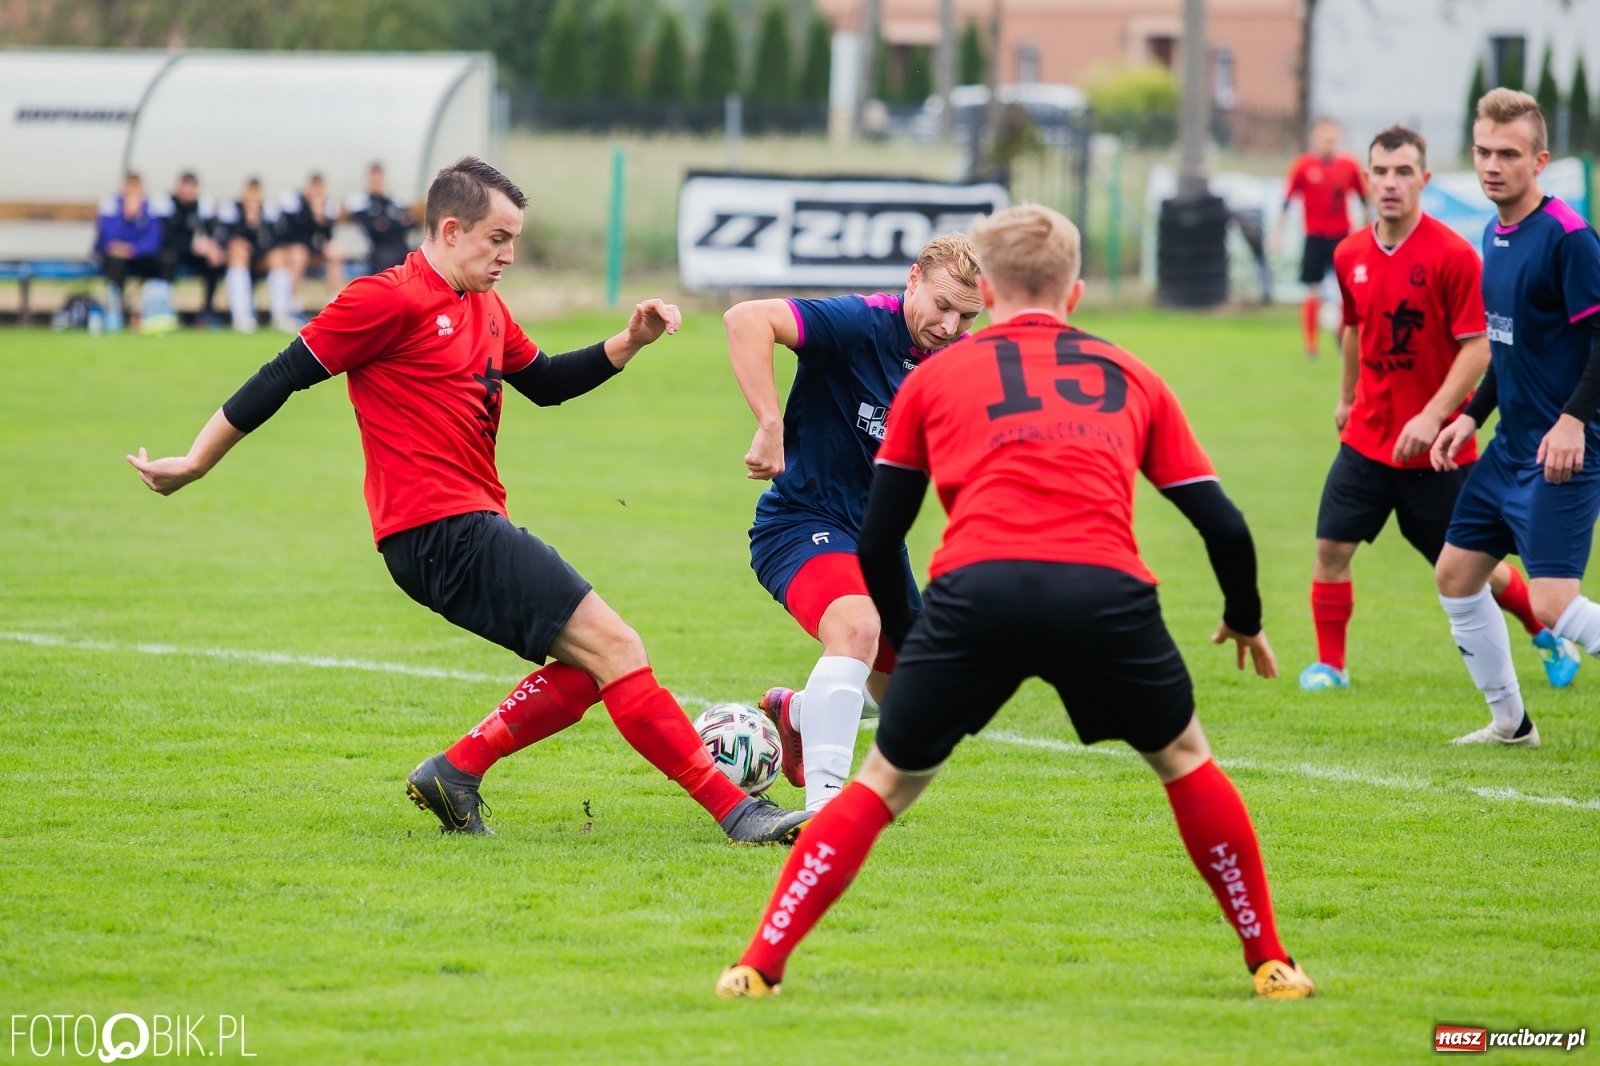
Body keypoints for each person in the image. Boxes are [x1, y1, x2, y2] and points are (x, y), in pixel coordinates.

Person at [716, 204, 1315, 1001]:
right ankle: (1271, 960)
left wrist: (924, 641)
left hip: (977, 591)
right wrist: (1244, 616)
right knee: (1185, 761)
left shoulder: (940, 376)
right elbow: (1224, 523)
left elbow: (883, 534)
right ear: (1077, 294)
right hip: (1104, 594)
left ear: (991, 295)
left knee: (886, 780)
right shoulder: (1130, 373)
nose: (950, 325)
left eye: (966, 312)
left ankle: (758, 965)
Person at [126, 157, 809, 846]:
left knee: (589, 667)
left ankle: (454, 774)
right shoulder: (385, 299)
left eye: (514, 240)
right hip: (437, 527)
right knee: (618, 646)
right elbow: (283, 374)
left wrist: (629, 341)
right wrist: (196, 461)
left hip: (463, 525)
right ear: (451, 230)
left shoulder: (484, 304)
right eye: (498, 239)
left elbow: (545, 382)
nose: (509, 255)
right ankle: (737, 812)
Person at [1301, 125, 1577, 692]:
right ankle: (1331, 666)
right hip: (1367, 438)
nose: (1391, 183)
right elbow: (1352, 327)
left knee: (1478, 572)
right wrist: (1347, 396)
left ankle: (1545, 632)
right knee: (1331, 546)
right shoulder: (1349, 253)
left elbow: (1479, 347)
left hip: (1438, 450)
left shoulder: (1453, 255)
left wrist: (1433, 416)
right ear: (1366, 178)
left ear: (1424, 179)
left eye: (1403, 172)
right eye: (1381, 171)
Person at [723, 236, 983, 812]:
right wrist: (770, 424)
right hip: (800, 522)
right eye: (942, 305)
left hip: (879, 545)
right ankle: (824, 814)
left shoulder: (960, 363)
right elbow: (746, 319)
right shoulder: (860, 323)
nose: (949, 325)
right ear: (913, 279)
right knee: (858, 627)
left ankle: (799, 711)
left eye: (967, 316)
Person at [1432, 89, 1600, 747]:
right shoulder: (1493, 233)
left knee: (1553, 605)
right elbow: (1510, 347)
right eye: (1483, 152)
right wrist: (1472, 416)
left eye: (1508, 153)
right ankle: (1511, 724)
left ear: (1540, 161)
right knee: (1456, 575)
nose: (1492, 165)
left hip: (1564, 449)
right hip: (1510, 448)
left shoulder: (1569, 238)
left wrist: (1573, 421)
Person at [1284, 119, 1367, 358]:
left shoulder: (1349, 165)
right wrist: (1277, 233)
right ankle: (1311, 346)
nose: (1328, 142)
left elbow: (1365, 199)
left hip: (1342, 237)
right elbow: (1287, 200)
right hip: (1314, 236)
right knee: (1313, 291)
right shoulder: (1303, 166)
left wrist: (1370, 229)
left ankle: (1344, 336)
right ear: (1315, 139)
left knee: (1347, 291)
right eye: (1324, 138)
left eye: (1332, 138)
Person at [93, 172, 172, 333]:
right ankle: (116, 312)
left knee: (165, 260)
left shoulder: (150, 207)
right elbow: (107, 238)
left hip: (138, 255)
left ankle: (155, 310)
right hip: (115, 257)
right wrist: (127, 217)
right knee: (115, 263)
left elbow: (154, 240)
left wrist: (132, 249)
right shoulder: (110, 205)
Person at [275, 173, 347, 331]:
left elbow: (326, 237)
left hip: (313, 252)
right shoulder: (294, 202)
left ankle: (334, 303)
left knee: (335, 251)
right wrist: (309, 215)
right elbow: (290, 235)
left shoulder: (327, 207)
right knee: (299, 254)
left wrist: (321, 220)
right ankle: (291, 304)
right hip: (293, 251)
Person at [214, 178, 285, 335]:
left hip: (259, 261)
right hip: (235, 261)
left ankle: (281, 315)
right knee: (239, 253)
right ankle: (242, 316)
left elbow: (274, 242)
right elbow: (222, 238)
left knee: (278, 257)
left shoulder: (268, 213)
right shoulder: (231, 210)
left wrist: (256, 225)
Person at [154, 171, 226, 326]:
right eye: (185, 187)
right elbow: (166, 239)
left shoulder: (202, 208)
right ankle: (164, 309)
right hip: (172, 254)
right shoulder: (167, 205)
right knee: (167, 259)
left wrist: (212, 248)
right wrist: (192, 246)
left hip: (192, 256)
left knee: (214, 262)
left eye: (192, 188)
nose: (188, 192)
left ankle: (207, 311)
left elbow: (212, 234)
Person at [347, 163, 416, 275]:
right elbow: (371, 226)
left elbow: (409, 222)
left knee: (418, 255)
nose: (377, 183)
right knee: (389, 260)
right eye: (374, 179)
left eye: (379, 179)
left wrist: (386, 224)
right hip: (377, 248)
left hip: (399, 245)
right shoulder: (361, 202)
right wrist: (394, 223)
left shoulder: (394, 202)